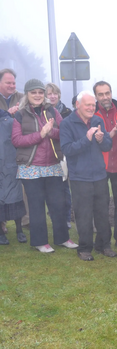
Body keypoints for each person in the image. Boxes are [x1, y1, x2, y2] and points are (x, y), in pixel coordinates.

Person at [11, 79, 78, 253]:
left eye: (40, 92)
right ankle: (40, 241)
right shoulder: (20, 114)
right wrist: (40, 134)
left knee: (58, 204)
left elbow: (64, 133)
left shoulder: (53, 111)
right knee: (36, 205)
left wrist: (50, 131)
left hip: (53, 165)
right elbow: (17, 140)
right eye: (34, 92)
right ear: (27, 94)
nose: (38, 95)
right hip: (30, 167)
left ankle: (62, 238)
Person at [60, 91, 115, 261]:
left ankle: (103, 245)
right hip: (79, 177)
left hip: (99, 175)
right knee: (83, 214)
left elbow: (107, 146)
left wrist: (100, 140)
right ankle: (84, 248)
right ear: (78, 105)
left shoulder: (98, 120)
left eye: (93, 105)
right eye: (88, 105)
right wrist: (87, 138)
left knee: (102, 212)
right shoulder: (67, 124)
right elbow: (67, 150)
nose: (92, 108)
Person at [93, 81, 117, 252]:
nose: (105, 97)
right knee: (101, 203)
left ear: (111, 93)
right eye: (101, 94)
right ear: (96, 97)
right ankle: (102, 238)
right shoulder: (92, 114)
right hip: (101, 165)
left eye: (107, 93)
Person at [0, 68, 29, 230]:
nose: (12, 85)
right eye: (8, 82)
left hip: (20, 148)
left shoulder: (22, 98)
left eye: (14, 82)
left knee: (22, 186)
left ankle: (25, 220)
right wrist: (6, 114)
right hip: (1, 150)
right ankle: (1, 223)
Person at [45, 83, 73, 229]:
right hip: (47, 156)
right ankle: (55, 219)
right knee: (51, 190)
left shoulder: (68, 112)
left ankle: (67, 219)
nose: (52, 96)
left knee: (64, 190)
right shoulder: (41, 112)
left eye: (55, 93)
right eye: (49, 93)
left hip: (63, 155)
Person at [0, 109, 26, 245]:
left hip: (10, 166)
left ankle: (19, 230)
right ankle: (0, 233)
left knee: (15, 197)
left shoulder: (10, 121)